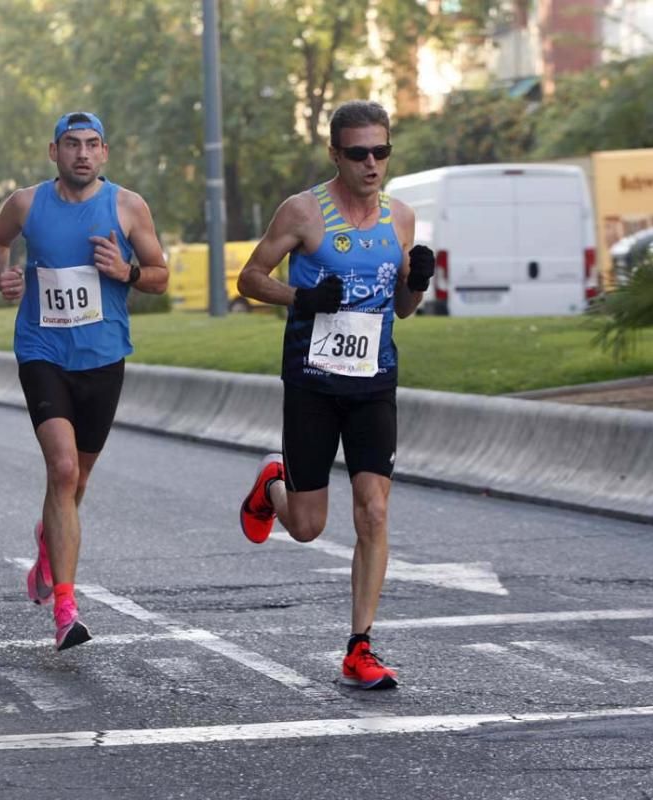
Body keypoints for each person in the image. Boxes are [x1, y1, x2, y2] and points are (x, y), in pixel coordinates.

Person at [235, 100, 435, 690]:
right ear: (335, 154)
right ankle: (273, 486)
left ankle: (360, 645)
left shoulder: (401, 218)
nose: (372, 164)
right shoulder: (303, 212)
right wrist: (300, 298)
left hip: (374, 382)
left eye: (381, 151)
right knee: (306, 527)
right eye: (358, 153)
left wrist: (417, 283)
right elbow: (249, 278)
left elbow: (401, 308)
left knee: (373, 509)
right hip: (313, 383)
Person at [0, 111, 168, 651]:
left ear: (104, 152)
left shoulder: (128, 206)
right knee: (61, 469)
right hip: (42, 351)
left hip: (103, 357)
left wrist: (126, 272)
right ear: (53, 151)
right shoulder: (25, 203)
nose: (81, 153)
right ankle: (66, 607)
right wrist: (2, 276)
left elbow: (159, 275)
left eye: (91, 145)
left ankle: (49, 540)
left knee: (76, 483)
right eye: (71, 144)